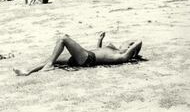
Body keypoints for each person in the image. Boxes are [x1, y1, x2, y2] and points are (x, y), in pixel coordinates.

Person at [13, 33, 142, 76]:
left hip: (87, 58)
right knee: (53, 57)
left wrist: (134, 48)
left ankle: (50, 65)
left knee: (63, 38)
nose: (126, 42)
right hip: (87, 56)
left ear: (130, 49)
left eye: (128, 44)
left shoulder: (121, 55)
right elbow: (99, 52)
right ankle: (28, 71)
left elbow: (138, 41)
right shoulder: (113, 51)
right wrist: (99, 40)